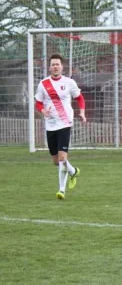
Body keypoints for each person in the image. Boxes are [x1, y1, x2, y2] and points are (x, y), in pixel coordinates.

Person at [34, 53, 86, 200]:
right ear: (49, 67)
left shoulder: (69, 82)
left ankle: (61, 190)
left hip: (65, 123)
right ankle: (73, 171)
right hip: (50, 125)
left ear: (62, 66)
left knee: (62, 158)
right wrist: (43, 110)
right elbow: (38, 102)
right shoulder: (43, 84)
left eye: (58, 64)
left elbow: (80, 98)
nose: (55, 67)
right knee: (56, 161)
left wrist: (82, 112)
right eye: (53, 64)